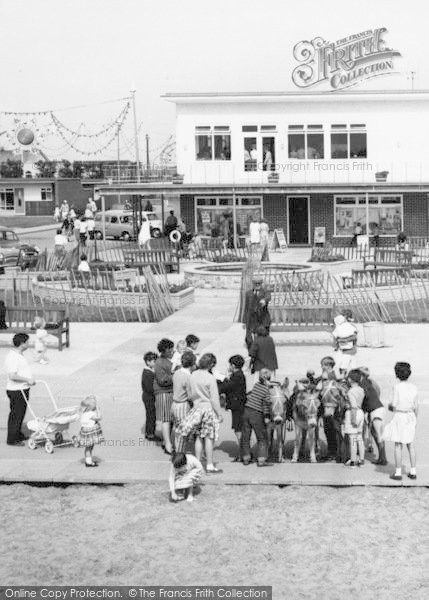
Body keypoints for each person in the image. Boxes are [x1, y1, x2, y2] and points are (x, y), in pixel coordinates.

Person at [176, 353, 223, 473]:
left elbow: (190, 394)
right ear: (211, 364)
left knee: (198, 437)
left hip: (197, 409)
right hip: (208, 409)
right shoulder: (210, 378)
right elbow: (214, 399)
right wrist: (219, 413)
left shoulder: (193, 375)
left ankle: (197, 464)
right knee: (209, 438)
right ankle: (209, 464)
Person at [384, 362, 418, 481]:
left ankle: (398, 472)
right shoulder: (413, 387)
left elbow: (393, 404)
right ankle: (413, 471)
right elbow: (416, 405)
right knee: (411, 445)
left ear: (396, 374)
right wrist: (415, 420)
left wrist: (390, 406)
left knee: (398, 445)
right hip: (410, 415)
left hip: (400, 415)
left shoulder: (396, 387)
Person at [5, 333, 36, 446]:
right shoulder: (13, 357)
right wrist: (27, 380)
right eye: (27, 342)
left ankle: (17, 434)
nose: (29, 344)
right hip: (16, 390)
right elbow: (12, 376)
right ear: (22, 343)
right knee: (16, 414)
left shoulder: (18, 355)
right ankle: (12, 439)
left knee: (20, 413)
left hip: (21, 389)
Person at [241, 368, 273, 467]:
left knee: (246, 436)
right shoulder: (267, 390)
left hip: (246, 411)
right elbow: (266, 404)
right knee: (262, 438)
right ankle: (261, 460)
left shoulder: (256, 385)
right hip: (256, 413)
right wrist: (267, 416)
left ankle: (246, 458)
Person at [218, 354, 247, 461]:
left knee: (238, 429)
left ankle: (243, 453)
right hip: (238, 405)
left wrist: (221, 379)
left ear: (233, 365)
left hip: (237, 407)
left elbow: (227, 387)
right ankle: (243, 452)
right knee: (238, 428)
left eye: (230, 364)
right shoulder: (238, 375)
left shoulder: (237, 376)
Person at [359, 367, 387, 466]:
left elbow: (365, 397)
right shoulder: (370, 383)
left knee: (378, 435)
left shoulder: (364, 384)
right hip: (375, 410)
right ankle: (381, 457)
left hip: (375, 411)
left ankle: (383, 458)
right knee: (375, 434)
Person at [153, 338, 175, 455]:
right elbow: (162, 380)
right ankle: (167, 444)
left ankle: (166, 442)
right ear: (165, 350)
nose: (172, 351)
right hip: (163, 392)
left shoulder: (165, 360)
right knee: (166, 419)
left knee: (169, 419)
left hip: (168, 392)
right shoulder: (160, 363)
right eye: (170, 349)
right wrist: (175, 374)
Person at [171, 351, 196, 450]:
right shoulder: (188, 377)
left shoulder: (177, 373)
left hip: (174, 405)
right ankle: (179, 454)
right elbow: (190, 395)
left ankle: (178, 451)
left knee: (177, 431)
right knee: (183, 433)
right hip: (183, 405)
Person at [242, 276, 271, 350]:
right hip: (251, 320)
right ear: (253, 284)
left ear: (261, 284)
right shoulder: (248, 293)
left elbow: (268, 297)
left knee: (263, 340)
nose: (257, 285)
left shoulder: (265, 292)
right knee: (249, 339)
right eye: (255, 284)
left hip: (263, 319)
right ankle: (252, 354)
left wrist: (264, 300)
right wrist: (244, 321)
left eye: (259, 284)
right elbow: (246, 307)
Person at [344, 369, 365, 468]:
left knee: (352, 439)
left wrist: (352, 419)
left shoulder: (351, 392)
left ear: (350, 379)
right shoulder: (361, 389)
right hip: (361, 412)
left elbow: (353, 406)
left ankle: (353, 460)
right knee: (360, 437)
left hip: (353, 412)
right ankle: (361, 459)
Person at [79, 395, 103, 467]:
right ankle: (88, 462)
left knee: (88, 447)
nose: (95, 406)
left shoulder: (84, 413)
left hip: (85, 432)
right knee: (89, 447)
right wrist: (99, 410)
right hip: (91, 433)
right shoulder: (91, 414)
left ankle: (88, 460)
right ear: (90, 407)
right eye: (94, 405)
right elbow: (99, 418)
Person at [141, 351, 159, 441]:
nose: (155, 363)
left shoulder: (149, 371)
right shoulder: (147, 373)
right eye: (154, 361)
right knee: (151, 415)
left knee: (151, 414)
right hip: (148, 397)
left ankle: (150, 431)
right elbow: (149, 388)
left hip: (149, 396)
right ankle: (150, 433)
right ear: (148, 362)